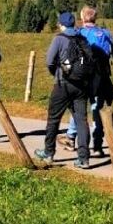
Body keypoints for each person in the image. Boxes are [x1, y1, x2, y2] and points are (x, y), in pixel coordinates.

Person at [34, 11, 92, 169]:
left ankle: (48, 152)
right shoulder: (82, 38)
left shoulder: (59, 39)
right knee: (81, 120)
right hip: (81, 85)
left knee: (54, 118)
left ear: (61, 24)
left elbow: (49, 61)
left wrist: (56, 73)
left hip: (63, 84)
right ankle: (84, 158)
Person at [62, 5, 113, 156]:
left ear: (82, 18)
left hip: (83, 77)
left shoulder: (79, 33)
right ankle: (98, 145)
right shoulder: (105, 33)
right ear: (95, 17)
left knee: (78, 107)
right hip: (101, 77)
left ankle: (71, 137)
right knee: (97, 109)